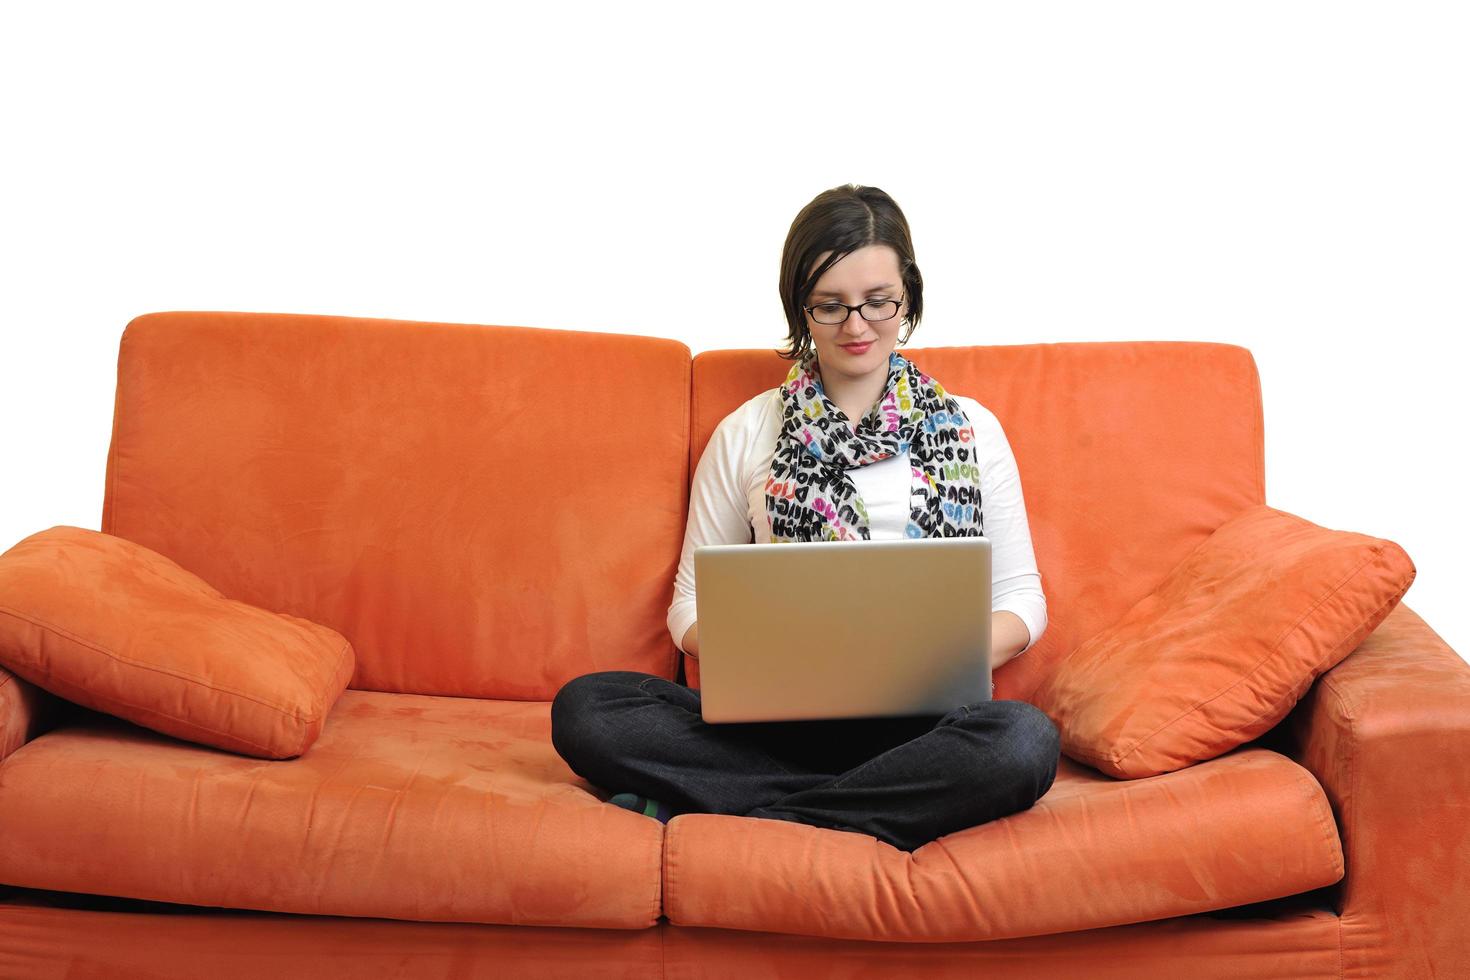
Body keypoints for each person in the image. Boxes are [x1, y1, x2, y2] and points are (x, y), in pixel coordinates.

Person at [550, 183, 1060, 852]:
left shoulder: (973, 429)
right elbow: (687, 608)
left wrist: (924, 659)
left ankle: (752, 816)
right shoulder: (747, 433)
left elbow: (1022, 600)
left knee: (1023, 742)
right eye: (831, 305)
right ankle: (866, 805)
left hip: (926, 726)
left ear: (908, 295)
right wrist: (772, 650)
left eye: (878, 302)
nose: (856, 326)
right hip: (775, 723)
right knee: (587, 709)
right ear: (801, 306)